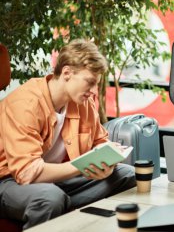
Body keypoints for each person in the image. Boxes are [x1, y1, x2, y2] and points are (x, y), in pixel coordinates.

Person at [0, 39, 136, 229]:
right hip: (9, 182)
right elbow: (26, 173)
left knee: (127, 175)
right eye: (90, 82)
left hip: (55, 178)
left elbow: (100, 143)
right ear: (66, 73)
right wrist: (84, 165)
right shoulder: (25, 104)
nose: (94, 91)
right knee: (49, 198)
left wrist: (107, 163)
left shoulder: (82, 102)